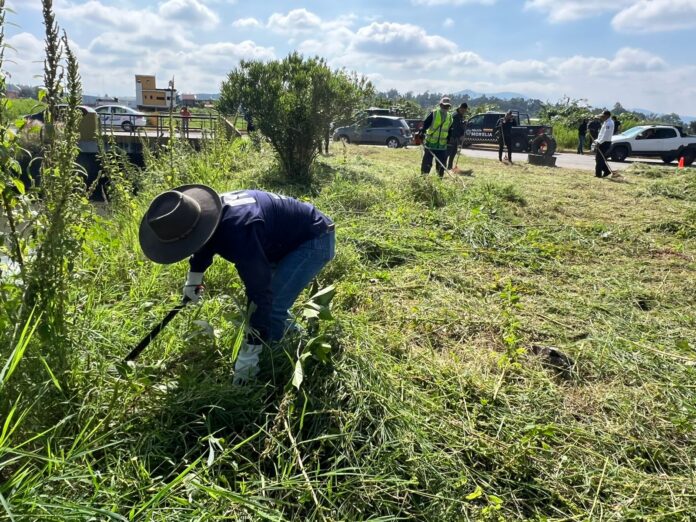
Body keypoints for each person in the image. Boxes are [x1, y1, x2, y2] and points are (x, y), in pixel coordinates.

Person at [139, 185, 336, 384]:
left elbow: (259, 293)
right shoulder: (206, 213)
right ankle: (293, 334)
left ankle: (273, 360)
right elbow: (204, 242)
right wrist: (194, 279)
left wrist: (251, 352)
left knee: (272, 306)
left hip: (314, 239)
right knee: (274, 299)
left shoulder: (240, 231)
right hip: (279, 239)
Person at [419, 97, 453, 176]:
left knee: (441, 165)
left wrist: (449, 140)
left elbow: (450, 130)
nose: (446, 107)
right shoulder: (434, 113)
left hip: (442, 146)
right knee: (427, 164)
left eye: (448, 106)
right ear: (440, 105)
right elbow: (425, 125)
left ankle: (439, 180)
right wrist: (422, 132)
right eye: (444, 105)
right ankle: (424, 178)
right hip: (430, 144)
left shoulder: (450, 117)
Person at [447, 102, 469, 169]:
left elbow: (460, 126)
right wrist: (460, 135)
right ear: (460, 108)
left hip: (455, 137)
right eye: (463, 110)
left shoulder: (460, 115)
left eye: (465, 111)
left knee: (453, 153)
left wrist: (464, 123)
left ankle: (449, 167)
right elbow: (454, 128)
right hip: (452, 137)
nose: (464, 112)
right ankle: (444, 166)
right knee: (449, 152)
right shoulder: (455, 116)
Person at [594, 110, 614, 178]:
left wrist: (599, 142)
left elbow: (605, 135)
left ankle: (598, 174)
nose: (602, 117)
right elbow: (601, 133)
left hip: (604, 143)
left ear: (607, 116)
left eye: (603, 116)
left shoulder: (609, 123)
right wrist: (598, 141)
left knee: (599, 159)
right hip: (602, 142)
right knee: (599, 158)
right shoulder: (606, 122)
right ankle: (606, 171)